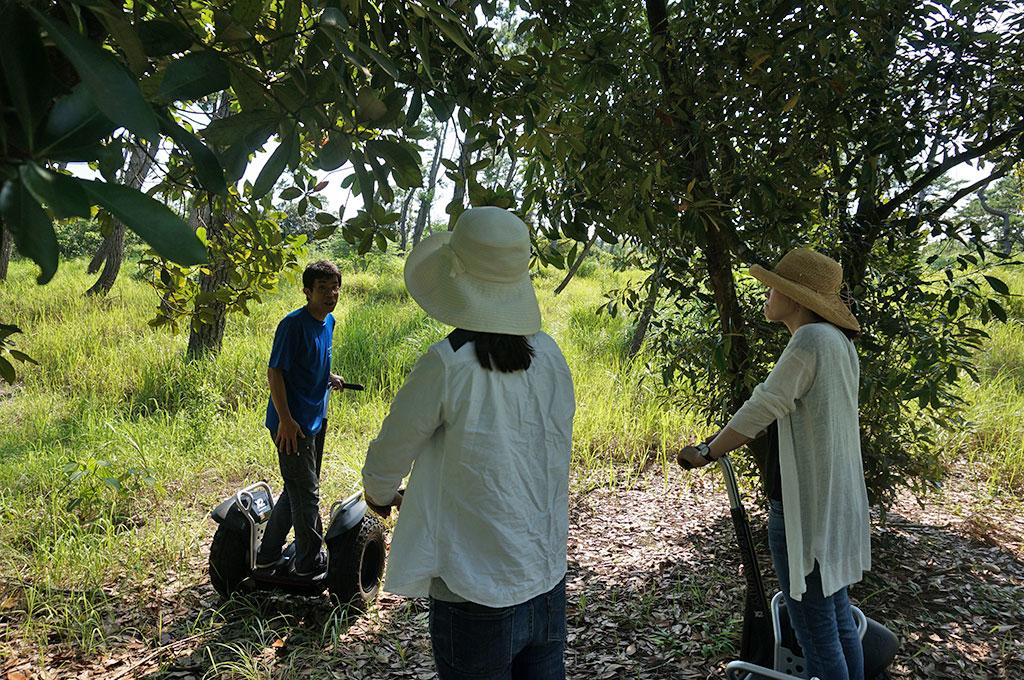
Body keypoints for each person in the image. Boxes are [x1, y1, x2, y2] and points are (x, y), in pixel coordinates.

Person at [361, 207, 575, 680]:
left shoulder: (447, 363)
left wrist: (379, 496)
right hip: (543, 574)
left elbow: (388, 457)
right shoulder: (550, 356)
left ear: (458, 280)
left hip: (473, 585)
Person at [676, 248, 871, 680]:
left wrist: (708, 451)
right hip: (834, 500)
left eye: (774, 288)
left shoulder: (810, 340)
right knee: (837, 620)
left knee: (816, 630)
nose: (767, 294)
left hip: (807, 507)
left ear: (796, 299)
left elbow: (762, 406)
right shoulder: (838, 342)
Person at [255, 260, 346, 578]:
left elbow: (311, 362)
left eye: (334, 287)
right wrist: (286, 420)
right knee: (306, 493)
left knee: (297, 488)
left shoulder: (329, 321)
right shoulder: (292, 325)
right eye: (322, 288)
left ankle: (267, 556)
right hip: (291, 425)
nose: (330, 294)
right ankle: (309, 562)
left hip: (315, 419)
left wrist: (329, 376)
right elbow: (275, 371)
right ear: (307, 292)